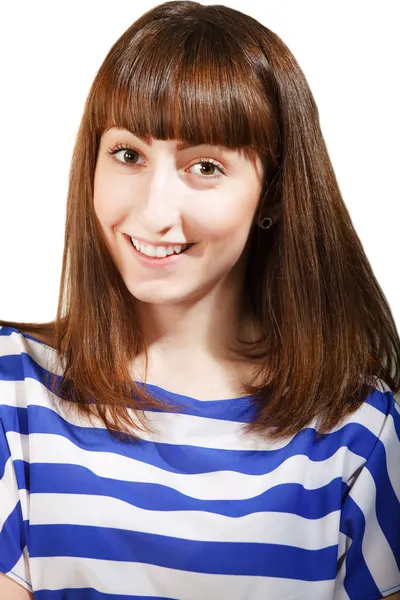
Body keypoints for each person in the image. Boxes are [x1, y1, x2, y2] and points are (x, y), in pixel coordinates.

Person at [0, 1, 399, 598]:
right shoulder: (13, 391)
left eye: (205, 165)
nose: (154, 211)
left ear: (273, 194)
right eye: (128, 154)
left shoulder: (359, 432)